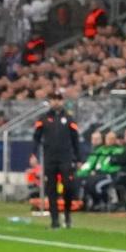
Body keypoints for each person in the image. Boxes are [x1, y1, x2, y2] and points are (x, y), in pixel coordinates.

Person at [32, 90, 80, 228]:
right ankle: (54, 220)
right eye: (53, 99)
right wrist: (33, 154)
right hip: (50, 158)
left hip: (66, 158)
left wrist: (78, 158)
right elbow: (36, 137)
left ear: (62, 101)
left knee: (68, 186)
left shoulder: (69, 119)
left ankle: (67, 214)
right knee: (51, 189)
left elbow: (75, 139)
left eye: (58, 99)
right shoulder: (43, 118)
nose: (56, 102)